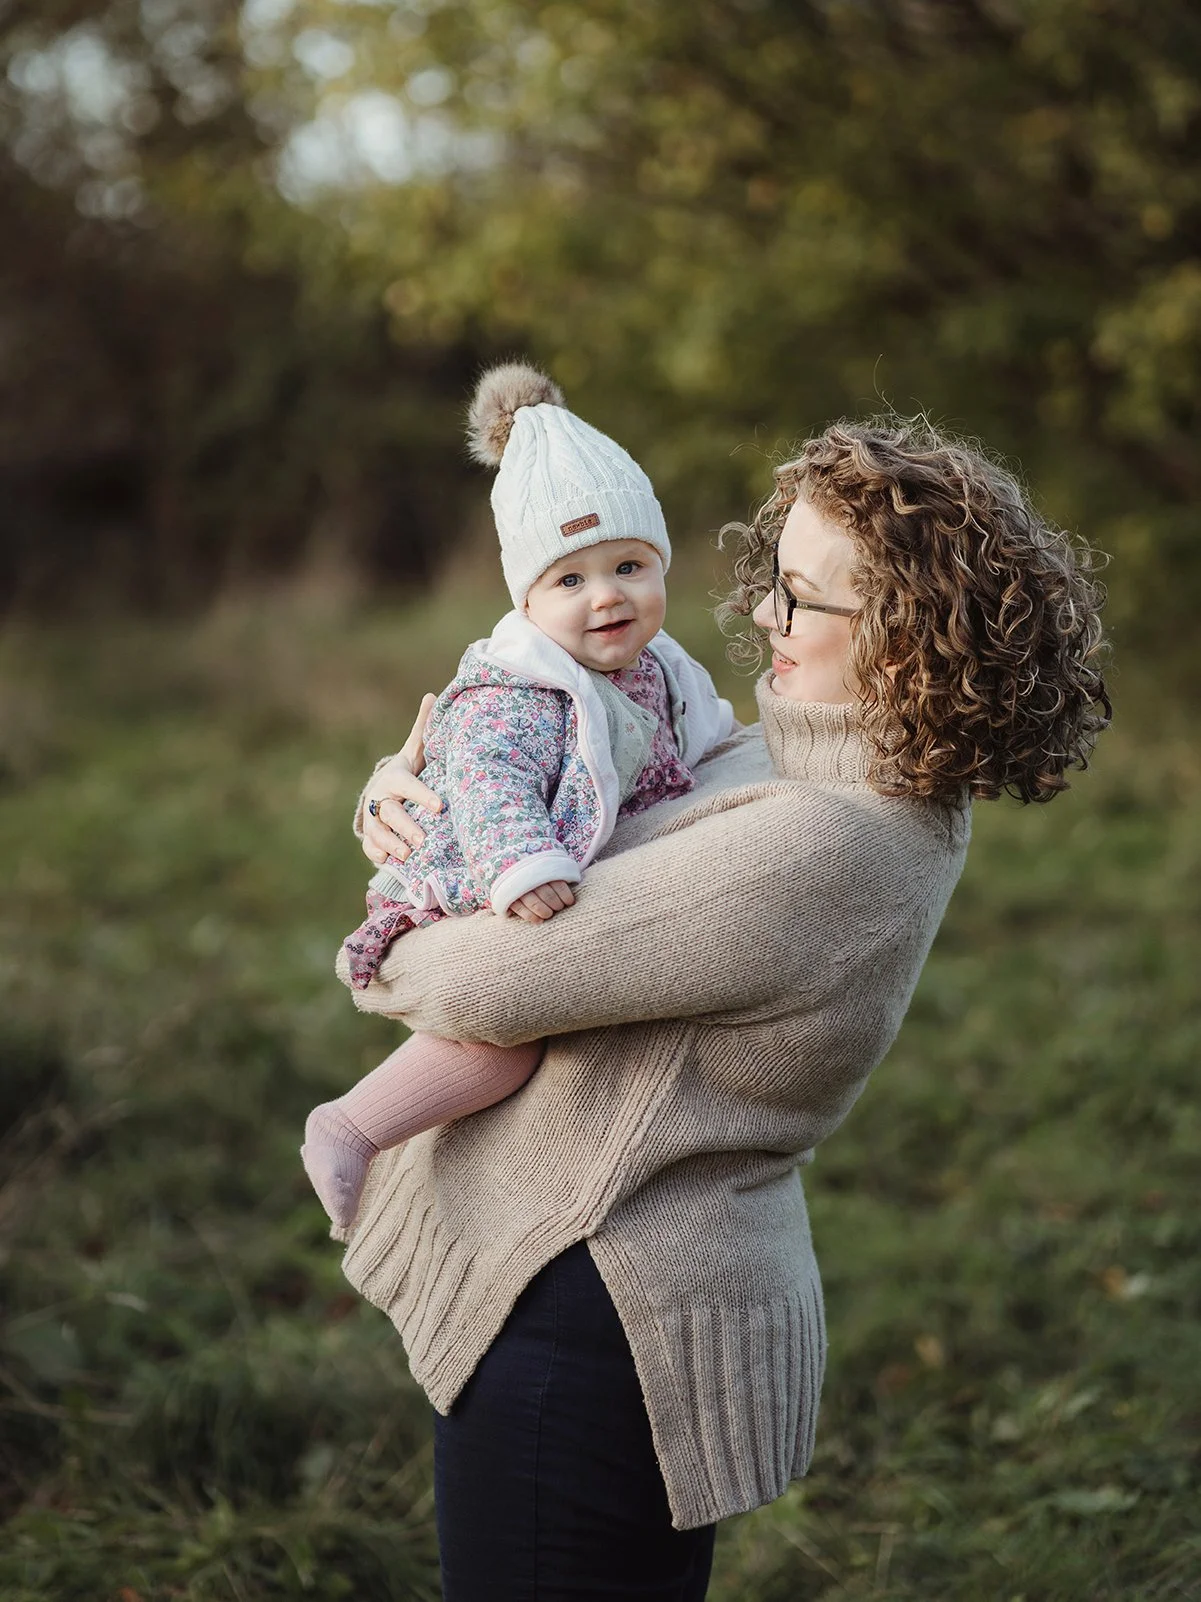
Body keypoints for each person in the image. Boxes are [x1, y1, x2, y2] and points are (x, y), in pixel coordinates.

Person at [335, 416, 1110, 1601]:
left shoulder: (821, 843)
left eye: (800, 597)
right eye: (770, 580)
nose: (760, 614)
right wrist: (404, 797)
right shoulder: (786, 765)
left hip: (595, 1317)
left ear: (903, 633)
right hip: (604, 1289)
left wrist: (408, 898)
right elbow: (565, 786)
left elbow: (475, 983)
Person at [301, 362, 733, 1234]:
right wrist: (523, 864)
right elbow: (489, 780)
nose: (606, 595)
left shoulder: (658, 666)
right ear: (527, 600)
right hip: (483, 874)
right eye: (569, 581)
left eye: (629, 565)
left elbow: (709, 740)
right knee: (503, 1046)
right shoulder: (517, 691)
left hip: (582, 875)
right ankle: (350, 1126)